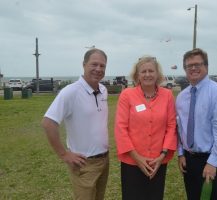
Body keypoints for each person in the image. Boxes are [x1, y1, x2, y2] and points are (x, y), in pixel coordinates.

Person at [42, 48, 109, 200]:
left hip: (105, 160)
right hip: (84, 163)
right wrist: (64, 154)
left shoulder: (103, 90)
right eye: (94, 64)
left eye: (102, 66)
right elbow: (48, 123)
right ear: (84, 64)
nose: (98, 69)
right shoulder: (70, 92)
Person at [114, 56, 177, 200]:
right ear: (137, 75)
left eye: (151, 71)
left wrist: (162, 156)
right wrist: (137, 158)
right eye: (143, 71)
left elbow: (171, 126)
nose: (147, 74)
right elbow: (120, 128)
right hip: (132, 161)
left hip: (157, 162)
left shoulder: (167, 95)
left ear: (157, 74)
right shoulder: (127, 95)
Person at [176, 48, 217, 200]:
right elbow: (180, 128)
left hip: (211, 159)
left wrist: (213, 163)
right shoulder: (181, 97)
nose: (193, 68)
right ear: (185, 69)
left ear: (206, 67)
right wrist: (181, 154)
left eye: (197, 64)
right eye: (189, 66)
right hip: (189, 161)